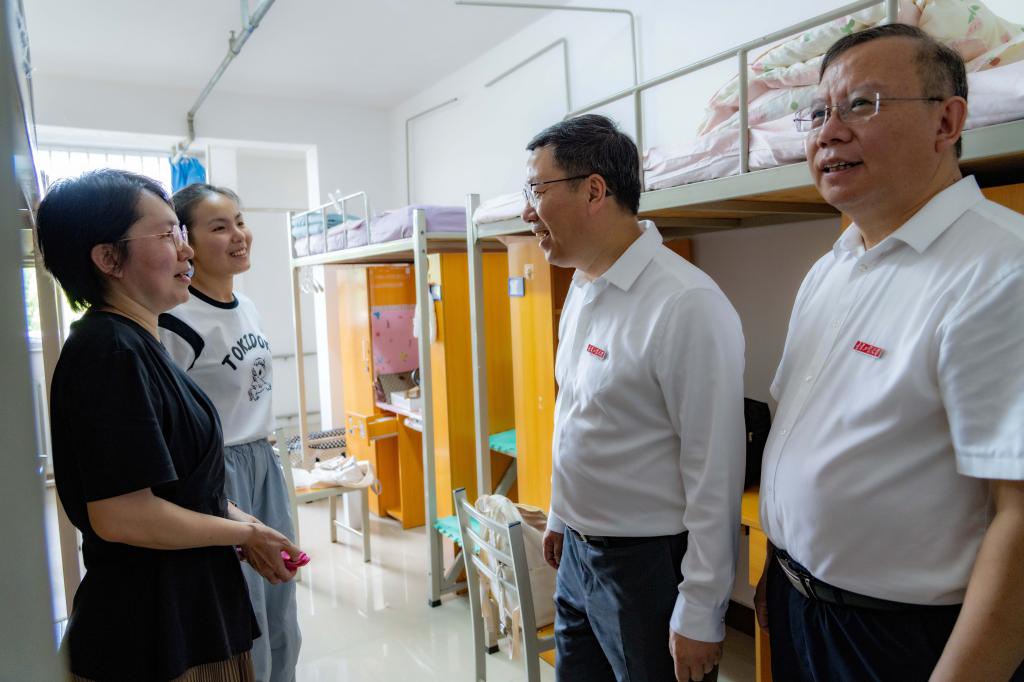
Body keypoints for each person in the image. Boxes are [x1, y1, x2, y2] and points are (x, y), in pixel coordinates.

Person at [754, 23, 1024, 681]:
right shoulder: (833, 265)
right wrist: (777, 569)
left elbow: (1020, 518)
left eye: (861, 105)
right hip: (798, 602)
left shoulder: (1000, 268)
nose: (828, 132)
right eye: (817, 113)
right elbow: (798, 438)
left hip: (899, 640)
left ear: (946, 122)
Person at [38, 169, 302, 682]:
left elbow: (180, 486)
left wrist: (246, 529)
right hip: (155, 630)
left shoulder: (139, 341)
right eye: (167, 234)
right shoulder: (110, 352)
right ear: (108, 258)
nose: (186, 250)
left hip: (190, 612)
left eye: (181, 233)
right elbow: (123, 515)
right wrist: (243, 531)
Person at [522, 114, 746, 682]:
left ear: (594, 190)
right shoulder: (583, 287)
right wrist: (561, 513)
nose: (527, 211)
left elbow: (715, 471)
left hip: (646, 565)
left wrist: (701, 610)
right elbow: (578, 412)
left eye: (538, 190)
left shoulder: (685, 304)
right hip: (577, 556)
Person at [158, 184, 301, 682]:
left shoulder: (247, 305)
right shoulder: (175, 322)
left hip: (263, 463)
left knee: (282, 598)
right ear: (187, 241)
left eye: (239, 221)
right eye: (220, 227)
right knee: (247, 610)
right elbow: (171, 424)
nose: (239, 235)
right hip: (219, 474)